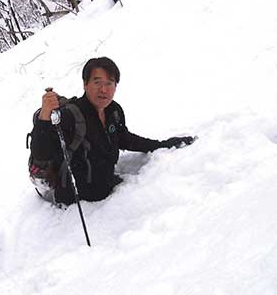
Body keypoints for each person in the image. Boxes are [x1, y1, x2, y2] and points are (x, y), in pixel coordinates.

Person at [29, 57, 195, 205]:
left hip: (105, 190)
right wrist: (44, 118)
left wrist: (162, 145)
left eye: (109, 83)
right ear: (85, 84)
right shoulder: (70, 115)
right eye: (97, 82)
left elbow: (125, 139)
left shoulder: (113, 111)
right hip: (78, 202)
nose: (103, 89)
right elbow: (41, 153)